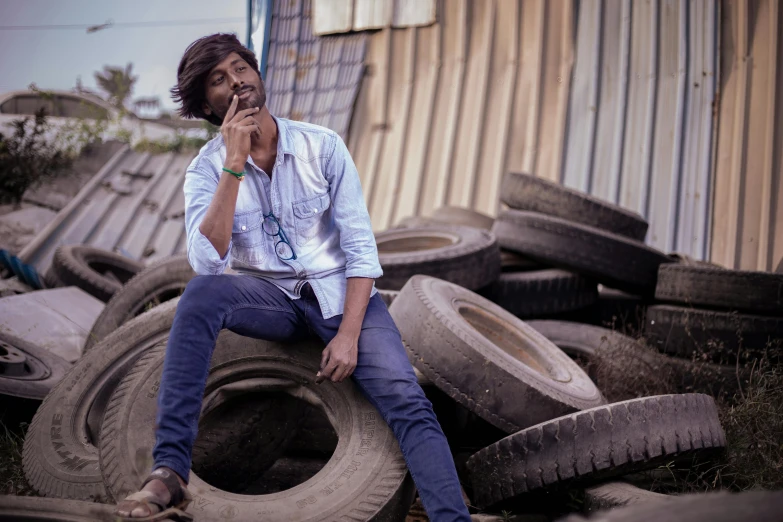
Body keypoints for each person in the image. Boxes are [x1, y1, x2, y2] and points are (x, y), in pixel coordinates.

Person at [113, 33, 472, 522]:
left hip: (339, 295)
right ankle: (171, 471)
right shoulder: (204, 172)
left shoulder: (321, 146)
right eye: (219, 79)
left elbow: (361, 249)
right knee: (199, 296)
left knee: (408, 400)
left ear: (257, 75)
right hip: (270, 301)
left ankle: (451, 516)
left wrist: (348, 335)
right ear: (206, 104)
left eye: (240, 67)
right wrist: (233, 166)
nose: (236, 80)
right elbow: (208, 263)